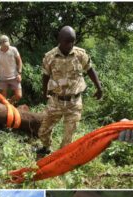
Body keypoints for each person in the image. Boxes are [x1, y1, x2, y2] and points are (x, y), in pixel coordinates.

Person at [37, 26, 103, 156]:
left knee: (68, 140)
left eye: (73, 41)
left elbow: (90, 69)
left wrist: (99, 87)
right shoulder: (50, 57)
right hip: (56, 101)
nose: (70, 44)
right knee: (43, 132)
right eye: (67, 41)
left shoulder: (80, 54)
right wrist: (44, 92)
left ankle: (61, 160)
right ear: (60, 40)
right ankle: (46, 148)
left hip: (74, 103)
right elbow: (45, 76)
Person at [0, 35, 23, 105]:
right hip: (2, 78)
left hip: (14, 76)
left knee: (19, 95)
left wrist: (19, 73)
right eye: (4, 45)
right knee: (3, 100)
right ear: (0, 44)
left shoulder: (13, 49)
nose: (6, 47)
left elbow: (19, 61)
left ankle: (10, 101)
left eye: (7, 45)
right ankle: (6, 111)